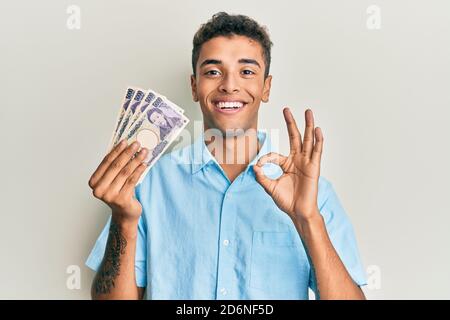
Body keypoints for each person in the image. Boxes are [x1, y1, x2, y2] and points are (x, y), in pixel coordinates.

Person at [86, 12, 367, 300]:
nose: (229, 85)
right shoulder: (149, 182)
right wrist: (123, 219)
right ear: (194, 87)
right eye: (213, 72)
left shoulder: (313, 194)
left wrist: (307, 218)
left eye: (246, 71)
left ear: (266, 87)